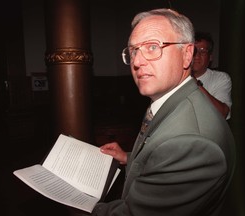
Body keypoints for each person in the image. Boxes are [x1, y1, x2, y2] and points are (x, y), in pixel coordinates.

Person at [90, 8, 236, 216]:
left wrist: (83, 209)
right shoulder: (171, 99)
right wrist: (128, 157)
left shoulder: (190, 143)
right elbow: (161, 156)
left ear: (187, 55)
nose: (138, 62)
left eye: (152, 47)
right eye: (133, 51)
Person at [191, 31, 232, 120]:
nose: (197, 56)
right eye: (193, 51)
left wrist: (194, 82)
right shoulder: (174, 78)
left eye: (202, 51)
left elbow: (223, 113)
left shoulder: (220, 78)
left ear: (210, 57)